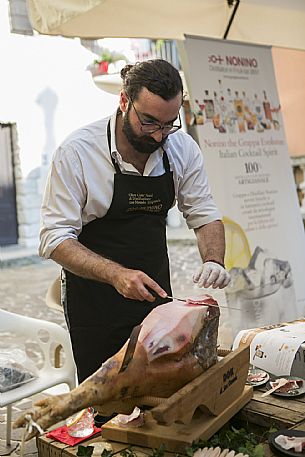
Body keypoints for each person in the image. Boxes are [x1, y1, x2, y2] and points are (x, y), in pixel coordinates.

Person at [39, 59, 230, 385]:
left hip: (154, 293)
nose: (159, 136)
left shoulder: (181, 148)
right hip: (94, 301)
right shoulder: (78, 153)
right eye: (149, 122)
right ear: (124, 101)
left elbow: (204, 212)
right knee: (105, 397)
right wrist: (116, 275)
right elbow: (53, 238)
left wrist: (214, 259)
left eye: (170, 123)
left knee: (159, 389)